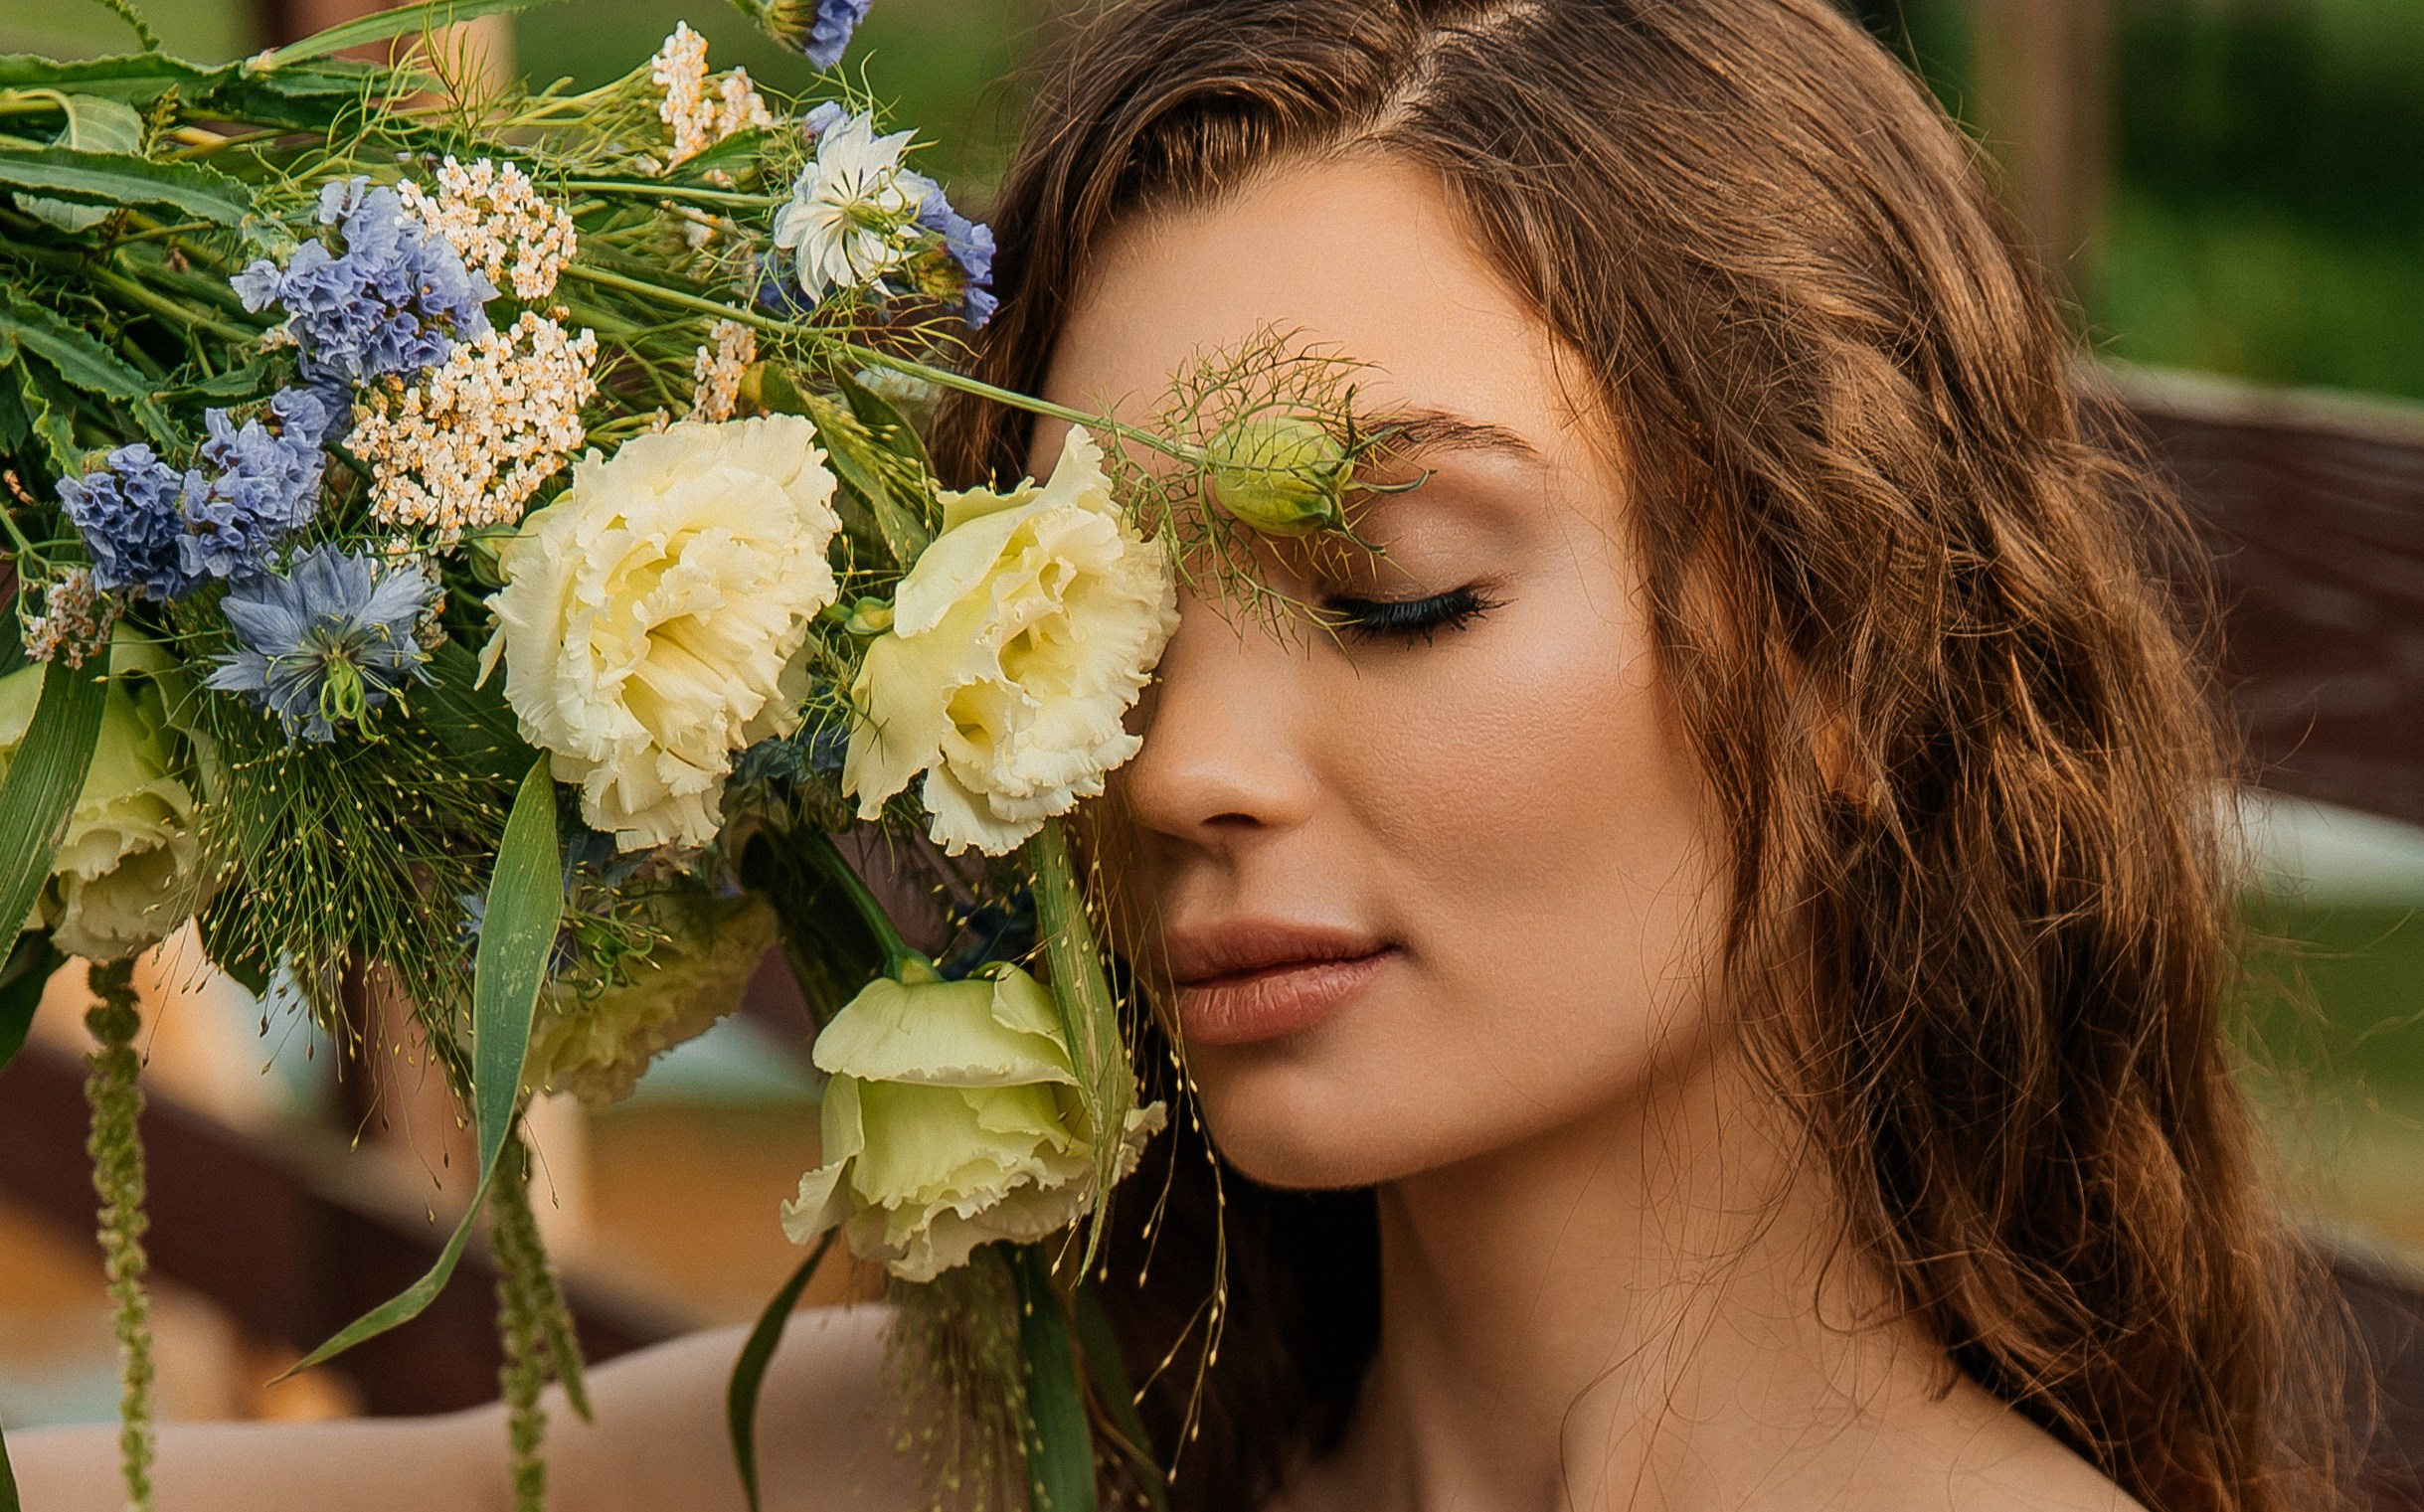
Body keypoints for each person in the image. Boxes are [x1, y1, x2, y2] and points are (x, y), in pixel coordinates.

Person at [16, 1, 2352, 1508]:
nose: (1174, 767)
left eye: (1398, 587)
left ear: (1861, 652)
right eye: (1098, 618)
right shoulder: (995, 1444)